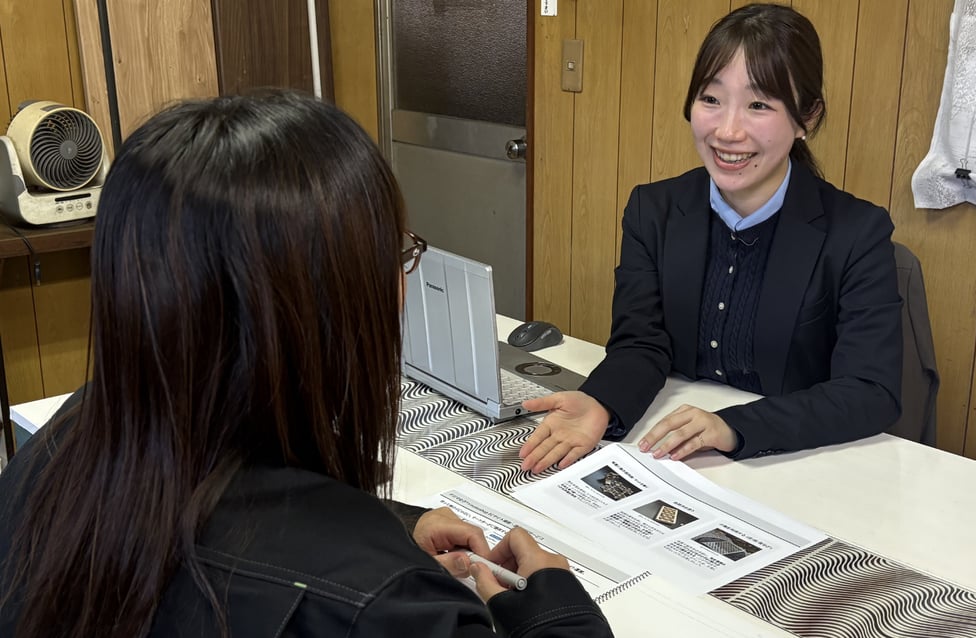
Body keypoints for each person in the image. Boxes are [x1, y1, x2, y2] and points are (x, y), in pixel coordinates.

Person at [0, 92, 612, 638]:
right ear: (323, 306)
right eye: (397, 252)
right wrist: (556, 609)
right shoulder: (392, 605)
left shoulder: (66, 446)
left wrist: (394, 526)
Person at [520, 3, 902, 473]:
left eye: (759, 104)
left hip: (796, 463)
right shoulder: (653, 210)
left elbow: (870, 392)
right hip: (673, 458)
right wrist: (601, 402)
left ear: (807, 117)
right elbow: (642, 342)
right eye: (711, 99)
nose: (727, 131)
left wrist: (735, 427)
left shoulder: (856, 232)